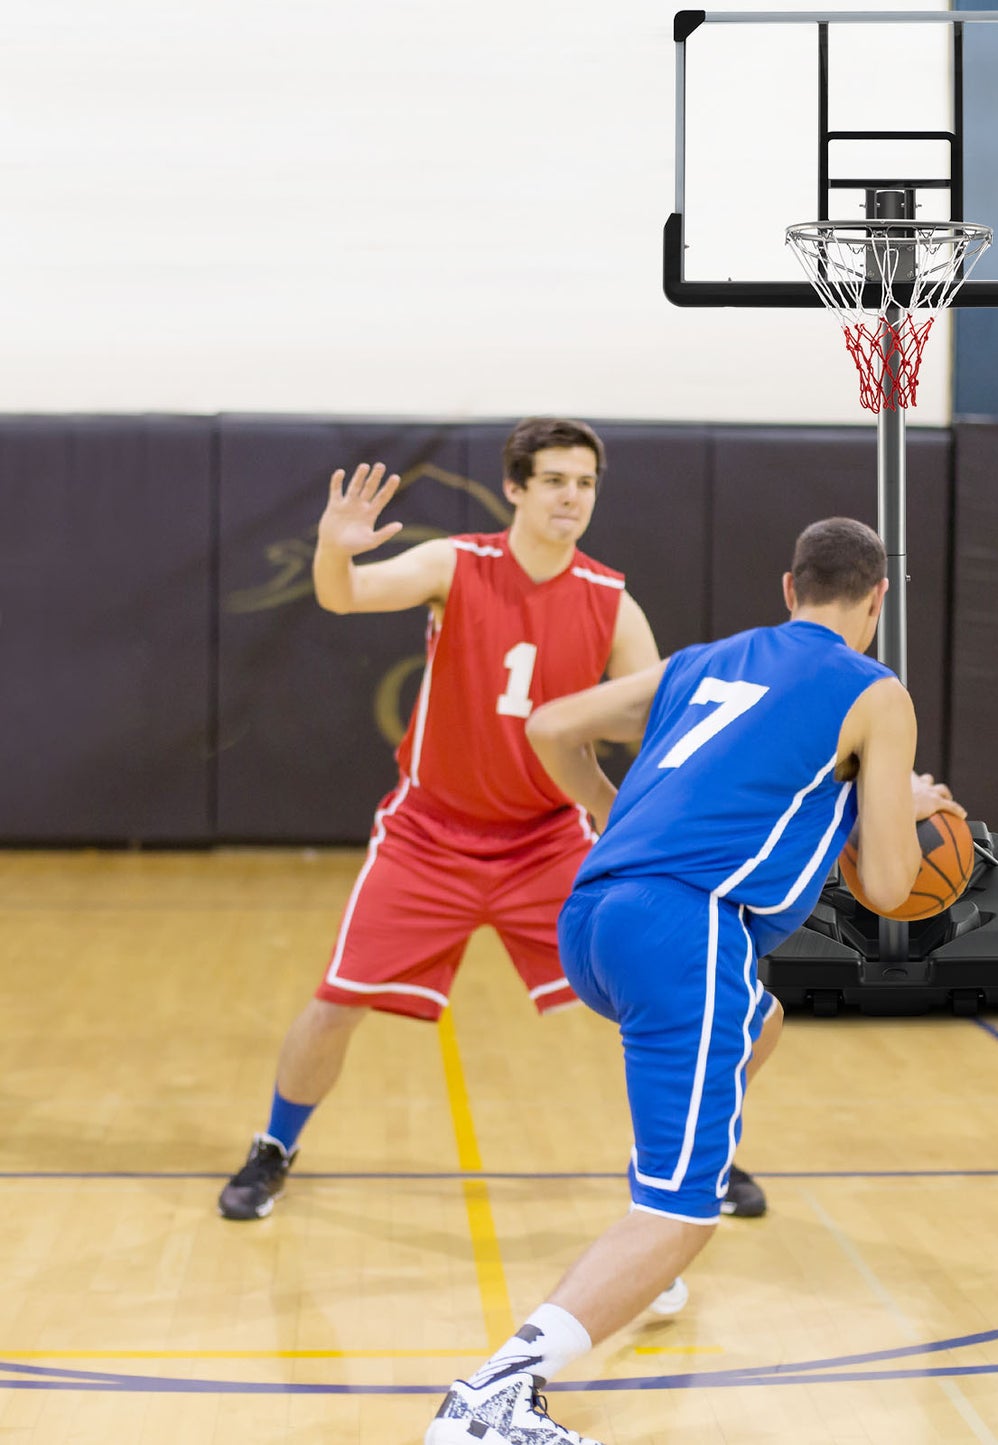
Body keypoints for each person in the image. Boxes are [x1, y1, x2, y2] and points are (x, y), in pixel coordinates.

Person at [424, 517, 966, 1445]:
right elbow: (885, 886)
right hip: (687, 930)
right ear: (878, 601)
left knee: (759, 1024)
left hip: (593, 915)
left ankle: (642, 1253)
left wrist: (610, 810)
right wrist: (896, 808)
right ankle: (491, 1400)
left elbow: (553, 724)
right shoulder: (878, 694)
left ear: (788, 590)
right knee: (685, 1211)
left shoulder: (704, 660)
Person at [218, 418, 768, 1223]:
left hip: (548, 839)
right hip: (428, 833)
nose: (570, 497)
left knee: (665, 990)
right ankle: (274, 1146)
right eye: (553, 480)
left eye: (583, 482)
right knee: (338, 999)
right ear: (514, 486)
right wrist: (336, 547)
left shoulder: (611, 602)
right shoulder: (457, 564)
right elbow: (345, 594)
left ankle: (697, 1147)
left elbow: (656, 719)